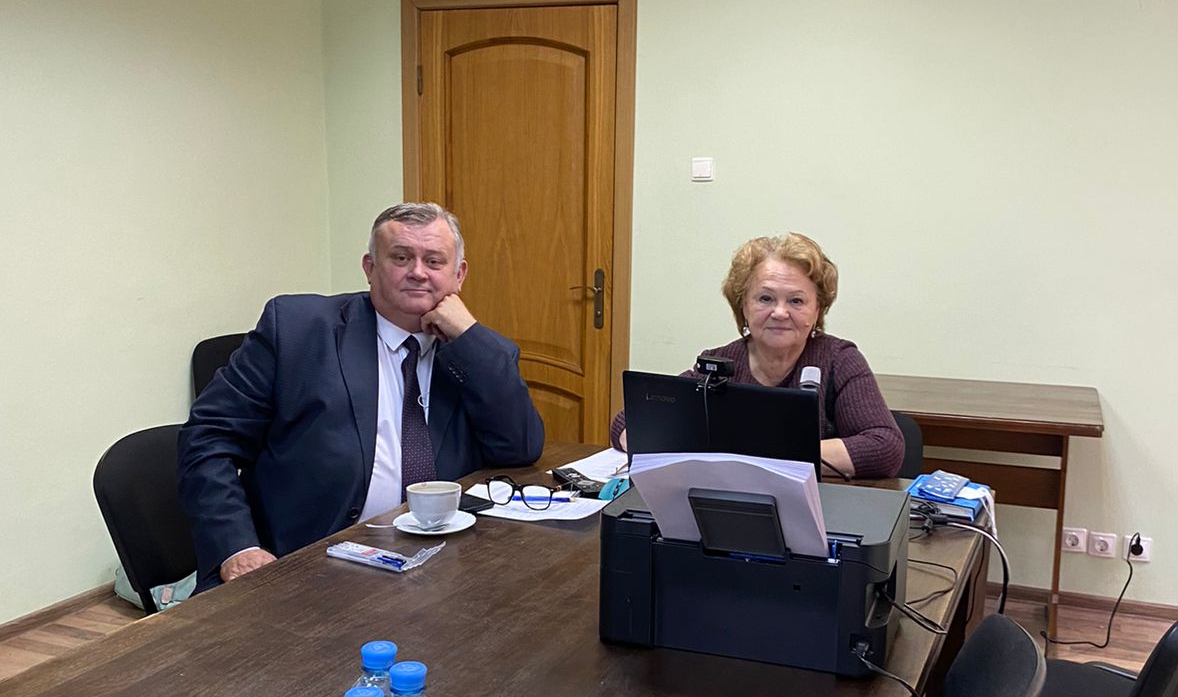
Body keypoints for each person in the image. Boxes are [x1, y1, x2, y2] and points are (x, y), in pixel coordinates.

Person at [179, 201, 544, 591]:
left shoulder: (474, 353)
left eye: (434, 261)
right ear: (370, 267)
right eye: (400, 257)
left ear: (459, 275)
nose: (418, 272)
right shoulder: (298, 329)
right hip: (306, 565)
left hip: (438, 563)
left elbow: (519, 448)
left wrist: (469, 337)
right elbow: (208, 439)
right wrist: (238, 548)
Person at [610, 232, 903, 480]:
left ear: (817, 310)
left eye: (796, 300)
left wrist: (755, 455)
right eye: (765, 298)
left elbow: (885, 448)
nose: (780, 312)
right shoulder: (718, 364)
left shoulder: (839, 360)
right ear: (743, 306)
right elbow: (628, 423)